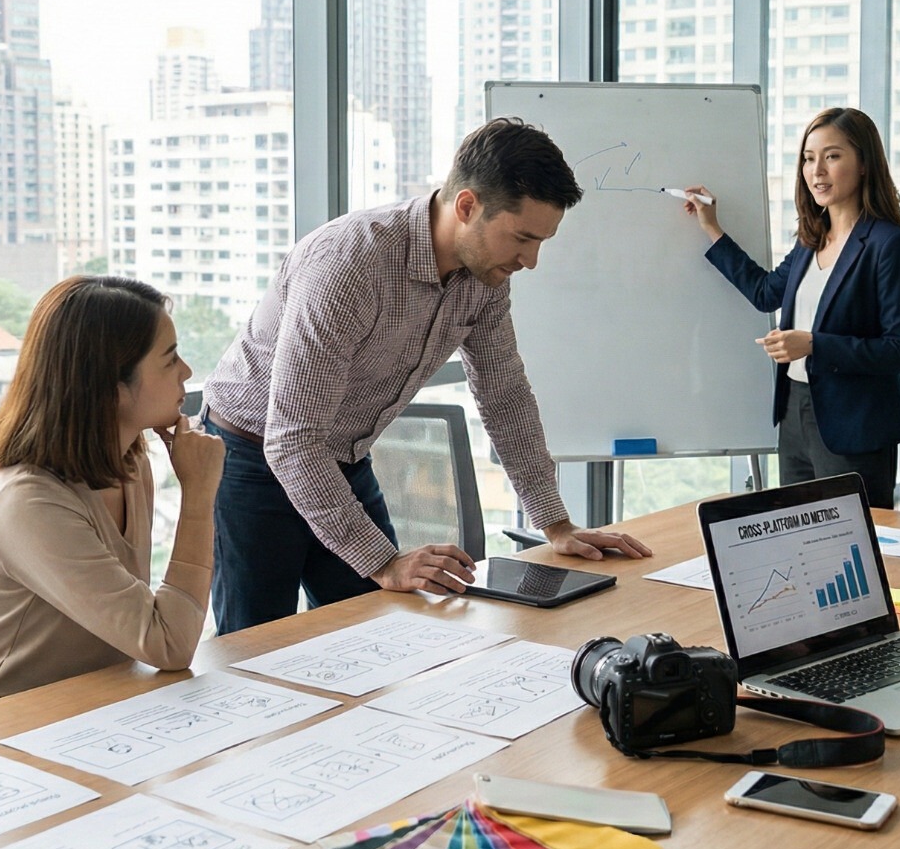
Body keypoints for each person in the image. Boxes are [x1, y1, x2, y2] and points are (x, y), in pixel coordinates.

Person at [203, 118, 651, 633]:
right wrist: (383, 562)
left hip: (342, 456)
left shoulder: (484, 277)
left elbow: (504, 395)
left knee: (378, 634)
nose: (530, 261)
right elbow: (292, 439)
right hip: (252, 455)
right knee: (257, 647)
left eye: (541, 242)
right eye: (523, 238)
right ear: (467, 206)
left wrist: (556, 523)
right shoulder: (350, 264)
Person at [0, 276, 225, 714]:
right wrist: (199, 494)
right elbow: (170, 644)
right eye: (170, 360)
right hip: (0, 715)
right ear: (112, 388)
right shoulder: (28, 501)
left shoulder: (130, 459)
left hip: (97, 700)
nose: (186, 371)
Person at [682, 107, 900, 508]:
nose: (817, 171)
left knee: (851, 537)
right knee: (798, 534)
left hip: (854, 424)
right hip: (794, 411)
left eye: (832, 156)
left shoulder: (890, 244)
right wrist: (712, 227)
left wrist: (814, 344)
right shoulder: (812, 239)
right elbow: (765, 292)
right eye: (809, 159)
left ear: (864, 163)